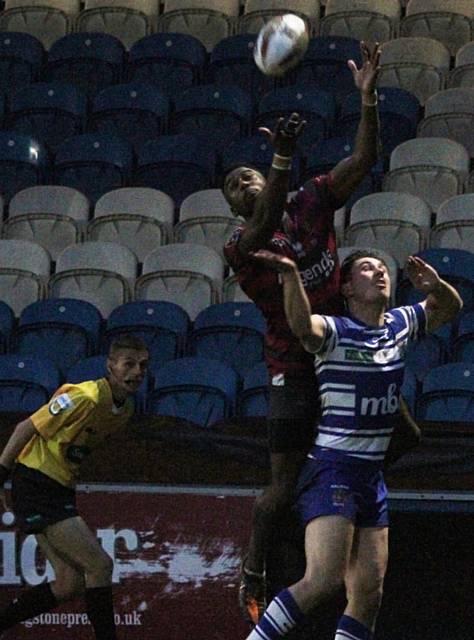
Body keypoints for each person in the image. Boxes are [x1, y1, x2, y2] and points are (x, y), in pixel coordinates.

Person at [223, 41, 419, 625]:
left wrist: (368, 103)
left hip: (345, 347)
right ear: (235, 207)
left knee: (406, 434)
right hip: (294, 359)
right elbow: (264, 217)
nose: (246, 182)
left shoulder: (310, 198)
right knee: (280, 488)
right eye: (236, 185)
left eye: (251, 173)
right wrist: (279, 161)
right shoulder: (243, 245)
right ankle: (255, 571)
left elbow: (361, 161)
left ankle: (340, 487)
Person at [242, 248, 462, 640]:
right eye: (366, 269)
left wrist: (436, 286)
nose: (379, 273)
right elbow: (301, 327)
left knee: (368, 593)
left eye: (382, 269)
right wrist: (291, 275)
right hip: (334, 468)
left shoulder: (399, 324)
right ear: (346, 287)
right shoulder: (335, 331)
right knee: (323, 580)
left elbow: (450, 307)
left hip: (371, 476)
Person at [0, 335, 149, 640]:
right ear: (111, 367)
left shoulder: (124, 409)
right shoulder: (85, 397)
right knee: (99, 565)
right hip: (36, 483)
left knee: (69, 582)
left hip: (58, 488)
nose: (137, 372)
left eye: (143, 366)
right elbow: (25, 428)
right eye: (128, 364)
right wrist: (0, 474)